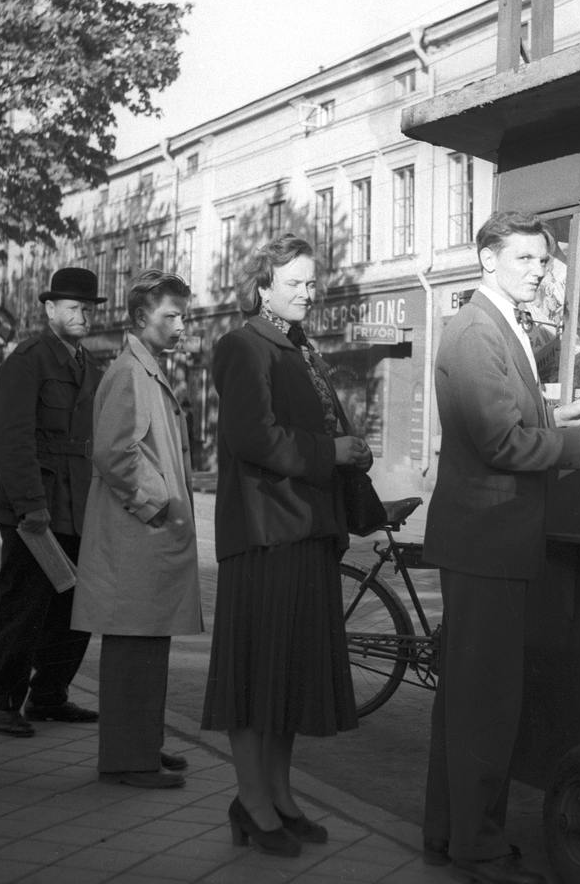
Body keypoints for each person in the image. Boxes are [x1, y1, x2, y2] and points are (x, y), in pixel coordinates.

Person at [422, 211, 580, 884]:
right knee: (485, 702)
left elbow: (511, 420)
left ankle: (447, 831)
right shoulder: (478, 330)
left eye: (543, 260)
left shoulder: (492, 323)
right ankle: (476, 846)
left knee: (465, 696)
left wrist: (555, 415)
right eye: (523, 259)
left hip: (485, 539)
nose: (538, 270)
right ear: (487, 259)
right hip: (488, 539)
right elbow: (501, 444)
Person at [201, 234, 368, 858]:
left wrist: (346, 451)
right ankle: (252, 798)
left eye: (310, 281)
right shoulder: (244, 345)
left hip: (304, 528)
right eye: (294, 282)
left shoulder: (297, 346)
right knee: (256, 676)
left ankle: (278, 795)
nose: (307, 291)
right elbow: (254, 437)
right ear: (263, 286)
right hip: (266, 533)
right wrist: (334, 452)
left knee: (288, 675)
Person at [71, 269, 202, 788]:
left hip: (144, 538)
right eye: (171, 315)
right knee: (133, 649)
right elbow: (114, 452)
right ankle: (128, 758)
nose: (180, 325)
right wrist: (160, 504)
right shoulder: (130, 372)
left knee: (147, 646)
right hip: (137, 537)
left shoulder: (142, 367)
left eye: (183, 315)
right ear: (141, 316)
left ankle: (142, 744)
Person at [0, 267, 106, 737]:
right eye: (74, 307)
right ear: (50, 309)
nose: (83, 315)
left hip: (77, 505)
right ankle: (1, 702)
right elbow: (12, 439)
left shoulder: (86, 365)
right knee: (24, 608)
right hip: (35, 507)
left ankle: (50, 695)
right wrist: (31, 505)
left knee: (75, 608)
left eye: (89, 308)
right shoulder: (28, 359)